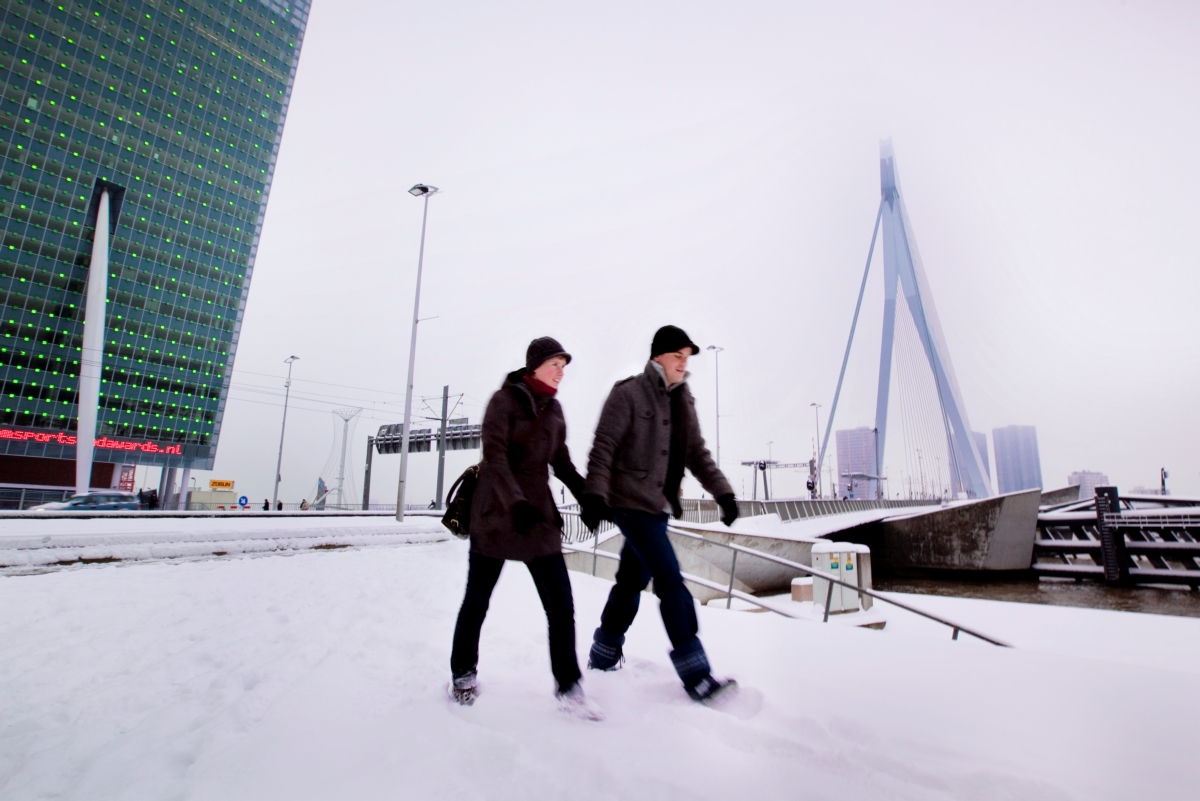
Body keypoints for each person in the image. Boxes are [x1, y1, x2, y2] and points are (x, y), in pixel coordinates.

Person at [580, 325, 740, 704]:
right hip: (629, 502)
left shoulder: (684, 402)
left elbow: (697, 454)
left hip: (659, 506)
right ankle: (697, 675)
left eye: (687, 357)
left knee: (631, 581)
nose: (684, 364)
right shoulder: (628, 394)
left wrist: (724, 493)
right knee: (669, 580)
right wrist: (595, 496)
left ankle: (602, 655)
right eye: (677, 356)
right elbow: (603, 448)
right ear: (658, 357)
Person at [449, 337, 601, 720]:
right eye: (555, 364)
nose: (561, 371)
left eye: (564, 365)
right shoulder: (503, 402)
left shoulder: (555, 411)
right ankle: (463, 675)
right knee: (477, 602)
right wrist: (514, 502)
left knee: (561, 607)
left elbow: (561, 463)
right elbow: (495, 457)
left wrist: (588, 497)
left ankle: (569, 687)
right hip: (498, 515)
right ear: (534, 367)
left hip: (537, 521)